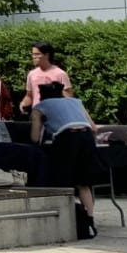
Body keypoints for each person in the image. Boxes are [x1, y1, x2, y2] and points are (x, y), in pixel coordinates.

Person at [30, 82, 100, 238]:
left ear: (41, 95)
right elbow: (94, 128)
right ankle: (89, 221)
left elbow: (35, 138)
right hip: (87, 137)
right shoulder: (76, 101)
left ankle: (65, 219)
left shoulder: (40, 106)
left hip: (67, 138)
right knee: (84, 182)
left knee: (63, 179)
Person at [20, 42, 72, 111]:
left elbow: (68, 98)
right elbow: (29, 95)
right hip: (38, 115)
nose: (34, 57)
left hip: (55, 114)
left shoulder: (60, 74)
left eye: (37, 54)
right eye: (33, 54)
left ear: (47, 55)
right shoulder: (31, 74)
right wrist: (23, 103)